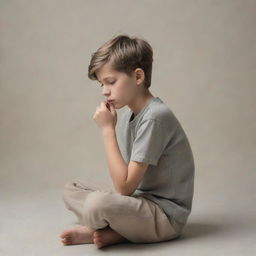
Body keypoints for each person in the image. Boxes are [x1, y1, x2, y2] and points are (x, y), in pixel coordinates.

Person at [60, 34, 195, 249]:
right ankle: (117, 228)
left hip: (165, 216)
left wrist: (107, 130)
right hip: (140, 200)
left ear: (138, 77)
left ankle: (103, 229)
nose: (105, 91)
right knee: (72, 189)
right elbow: (129, 190)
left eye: (111, 82)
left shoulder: (155, 117)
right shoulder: (126, 116)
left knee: (97, 203)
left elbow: (124, 188)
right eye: (101, 84)